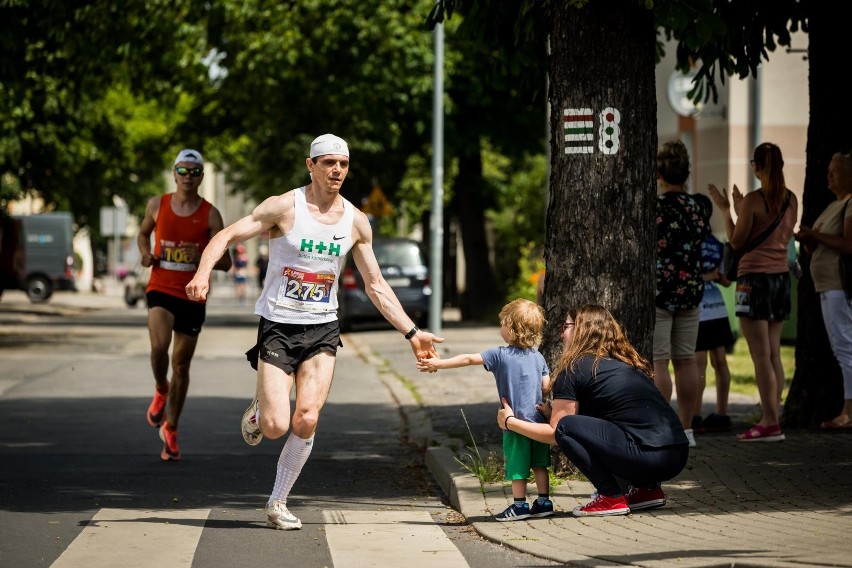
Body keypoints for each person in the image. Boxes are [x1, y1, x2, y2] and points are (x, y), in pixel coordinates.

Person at [185, 133, 444, 531]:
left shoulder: (356, 221)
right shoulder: (283, 207)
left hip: (322, 327)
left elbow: (375, 285)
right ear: (311, 165)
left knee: (307, 416)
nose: (337, 170)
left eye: (342, 163)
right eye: (328, 163)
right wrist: (202, 274)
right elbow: (225, 236)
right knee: (275, 426)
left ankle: (278, 501)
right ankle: (259, 408)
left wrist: (412, 333)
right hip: (278, 325)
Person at [496, 304, 689, 517]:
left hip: (645, 456)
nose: (562, 332)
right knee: (582, 425)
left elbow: (556, 434)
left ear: (581, 330)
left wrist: (510, 422)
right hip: (677, 456)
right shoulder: (627, 364)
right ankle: (647, 490)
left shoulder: (573, 369)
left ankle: (610, 497)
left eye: (566, 326)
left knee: (565, 427)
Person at [417, 298, 553, 522]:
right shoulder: (538, 357)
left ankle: (519, 506)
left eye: (502, 324)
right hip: (538, 422)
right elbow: (545, 385)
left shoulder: (500, 354)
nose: (501, 328)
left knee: (518, 466)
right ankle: (544, 501)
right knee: (540, 464)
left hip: (515, 422)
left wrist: (439, 364)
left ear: (511, 328)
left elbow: (469, 359)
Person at [138, 148, 233, 461]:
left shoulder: (211, 214)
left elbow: (226, 262)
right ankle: (160, 388)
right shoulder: (157, 204)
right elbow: (143, 234)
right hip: (161, 288)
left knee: (181, 364)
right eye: (183, 170)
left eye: (194, 171)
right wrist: (145, 253)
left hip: (193, 293)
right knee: (158, 345)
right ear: (174, 173)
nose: (188, 176)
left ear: (202, 177)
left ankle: (172, 428)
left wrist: (203, 257)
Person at [708, 142, 798, 442]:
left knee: (760, 355)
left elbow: (736, 241)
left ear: (757, 167)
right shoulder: (791, 200)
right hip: (781, 280)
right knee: (773, 354)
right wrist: (739, 208)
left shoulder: (754, 200)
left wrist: (726, 210)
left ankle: (769, 422)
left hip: (754, 281)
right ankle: (775, 417)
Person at [653, 139, 712, 447]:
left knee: (659, 361)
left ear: (659, 173)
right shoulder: (698, 207)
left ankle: (663, 428)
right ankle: (687, 428)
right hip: (691, 290)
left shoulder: (655, 208)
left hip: (661, 290)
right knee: (687, 360)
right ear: (686, 172)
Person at [795, 151, 852, 430]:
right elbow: (822, 245)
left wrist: (815, 235)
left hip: (840, 286)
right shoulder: (834, 205)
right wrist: (809, 241)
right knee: (840, 346)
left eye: (835, 171)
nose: (828, 177)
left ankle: (849, 412)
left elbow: (848, 245)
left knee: (845, 347)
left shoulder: (850, 204)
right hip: (826, 285)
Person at [692, 233, 735, 434]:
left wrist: (705, 276)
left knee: (699, 363)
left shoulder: (691, 241)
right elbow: (726, 281)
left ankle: (695, 416)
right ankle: (722, 414)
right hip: (718, 307)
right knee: (720, 361)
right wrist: (714, 275)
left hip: (699, 308)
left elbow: (688, 276)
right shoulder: (717, 244)